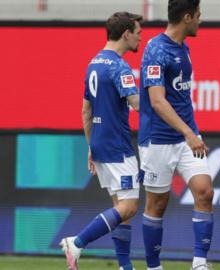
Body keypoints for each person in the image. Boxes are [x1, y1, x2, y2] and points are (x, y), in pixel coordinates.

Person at [59, 12, 143, 270]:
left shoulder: (93, 63)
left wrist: (91, 145)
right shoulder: (119, 66)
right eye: (138, 31)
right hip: (118, 146)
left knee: (119, 206)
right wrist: (158, 97)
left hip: (101, 144)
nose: (141, 36)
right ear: (126, 33)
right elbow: (138, 104)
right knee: (128, 207)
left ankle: (124, 266)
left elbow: (86, 110)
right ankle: (78, 242)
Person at [138, 1, 214, 270]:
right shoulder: (155, 50)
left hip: (186, 137)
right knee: (157, 205)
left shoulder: (184, 47)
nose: (200, 21)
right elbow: (157, 101)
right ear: (187, 17)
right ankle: (153, 266)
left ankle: (199, 263)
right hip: (158, 140)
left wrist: (189, 133)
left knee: (204, 191)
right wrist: (188, 132)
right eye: (198, 16)